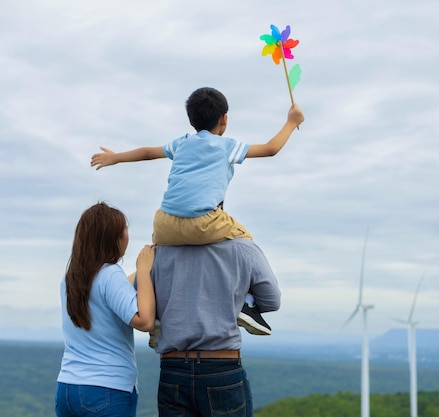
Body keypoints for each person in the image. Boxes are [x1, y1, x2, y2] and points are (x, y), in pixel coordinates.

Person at [90, 86, 303, 336]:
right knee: (245, 241)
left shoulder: (181, 144)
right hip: (204, 221)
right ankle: (246, 304)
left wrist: (116, 158)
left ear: (190, 120)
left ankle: (155, 313)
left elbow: (148, 153)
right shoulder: (226, 146)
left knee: (160, 260)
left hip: (165, 223)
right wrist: (291, 122)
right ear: (224, 119)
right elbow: (270, 149)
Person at [151, 240, 281, 417]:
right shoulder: (243, 247)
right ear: (219, 211)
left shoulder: (158, 250)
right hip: (221, 367)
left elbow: (141, 298)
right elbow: (271, 301)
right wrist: (236, 299)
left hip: (173, 368)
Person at [55, 202, 156, 417]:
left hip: (67, 388)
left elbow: (114, 293)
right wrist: (145, 269)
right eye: (124, 229)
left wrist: (139, 275)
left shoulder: (72, 279)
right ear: (113, 238)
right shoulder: (110, 274)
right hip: (107, 390)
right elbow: (145, 320)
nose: (127, 234)